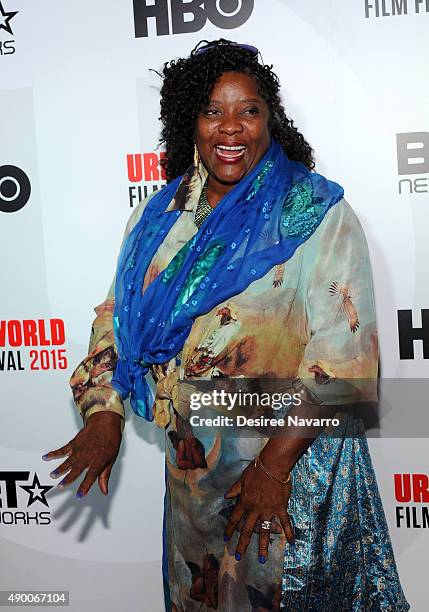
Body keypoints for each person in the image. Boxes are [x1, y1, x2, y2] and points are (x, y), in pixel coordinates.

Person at [42, 40, 410, 611]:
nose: (231, 128)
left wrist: (272, 468)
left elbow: (345, 361)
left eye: (249, 110)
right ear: (190, 120)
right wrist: (105, 411)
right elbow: (117, 319)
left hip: (288, 475)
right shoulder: (156, 219)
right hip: (194, 480)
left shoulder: (314, 214)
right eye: (214, 110)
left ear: (271, 119)